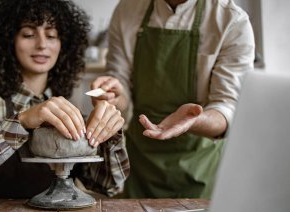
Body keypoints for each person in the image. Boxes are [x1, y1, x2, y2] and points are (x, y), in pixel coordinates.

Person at [0, 0, 129, 199]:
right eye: (28, 34)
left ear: (63, 45)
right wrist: (21, 122)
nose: (42, 44)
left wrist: (108, 136)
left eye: (51, 35)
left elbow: (108, 186)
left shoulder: (69, 107)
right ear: (7, 40)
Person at [91, 0, 255, 198]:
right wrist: (113, 96)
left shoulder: (231, 20)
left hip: (199, 165)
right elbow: (120, 82)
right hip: (140, 161)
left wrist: (194, 119)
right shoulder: (128, 10)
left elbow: (228, 107)